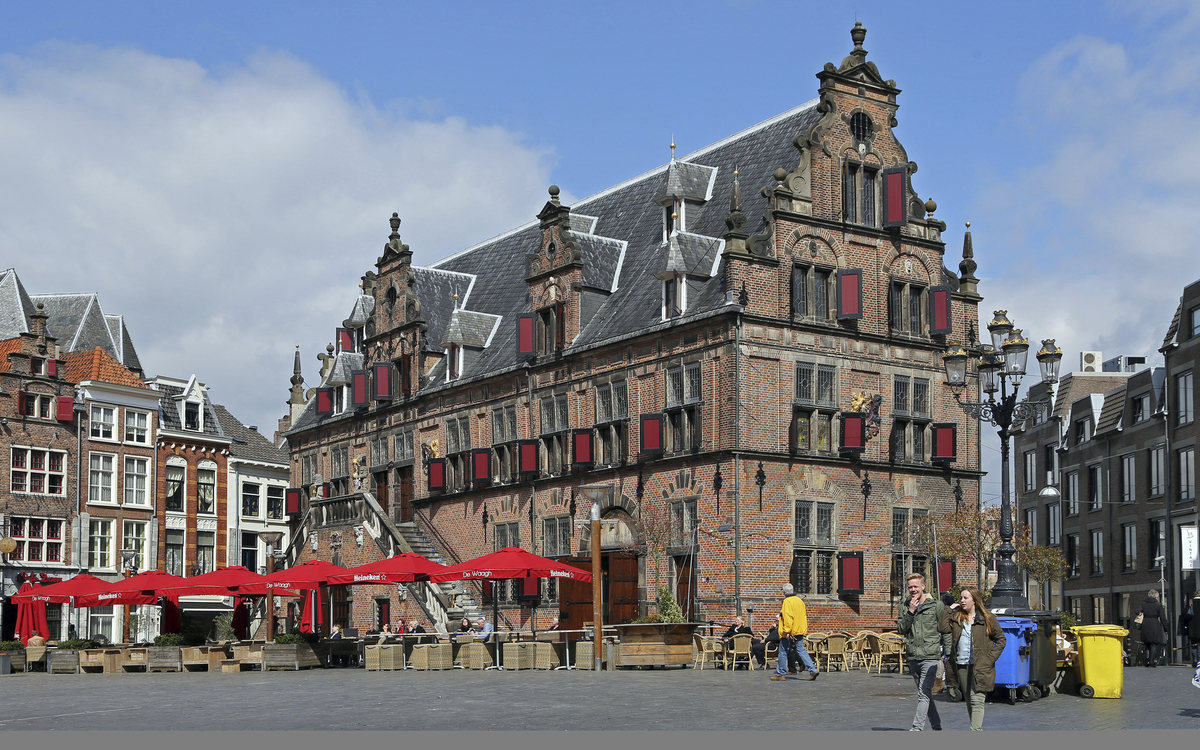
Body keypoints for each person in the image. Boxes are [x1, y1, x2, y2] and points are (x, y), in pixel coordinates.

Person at [939, 587, 1006, 731]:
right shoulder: (957, 617)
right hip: (961, 664)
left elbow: (1001, 639)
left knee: (977, 700)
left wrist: (990, 659)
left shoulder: (987, 618)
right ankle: (977, 729)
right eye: (961, 598)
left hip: (981, 665)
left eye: (965, 598)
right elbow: (942, 628)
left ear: (974, 600)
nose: (962, 601)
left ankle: (975, 731)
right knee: (969, 701)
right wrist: (948, 610)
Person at [897, 573, 947, 731]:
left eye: (915, 586)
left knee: (923, 693)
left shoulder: (936, 605)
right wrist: (911, 611)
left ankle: (916, 728)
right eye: (910, 587)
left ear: (923, 587)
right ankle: (937, 725)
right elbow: (901, 629)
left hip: (930, 655)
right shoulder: (905, 606)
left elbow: (946, 629)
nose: (912, 590)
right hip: (913, 655)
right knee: (924, 693)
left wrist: (948, 653)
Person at [769, 583, 818, 681]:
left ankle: (781, 673)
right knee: (801, 650)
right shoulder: (799, 601)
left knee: (782, 651)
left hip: (790, 631)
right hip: (799, 629)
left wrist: (787, 631)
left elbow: (788, 617)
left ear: (784, 592)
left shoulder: (787, 601)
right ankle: (812, 669)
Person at [1137, 589, 1169, 667]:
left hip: (1145, 624)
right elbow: (1163, 618)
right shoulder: (1158, 605)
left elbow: (1137, 611)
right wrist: (1166, 629)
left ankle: (1147, 660)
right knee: (1153, 643)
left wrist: (1143, 613)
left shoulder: (1144, 603)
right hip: (1154, 624)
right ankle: (1152, 661)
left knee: (1146, 642)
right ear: (1156, 596)